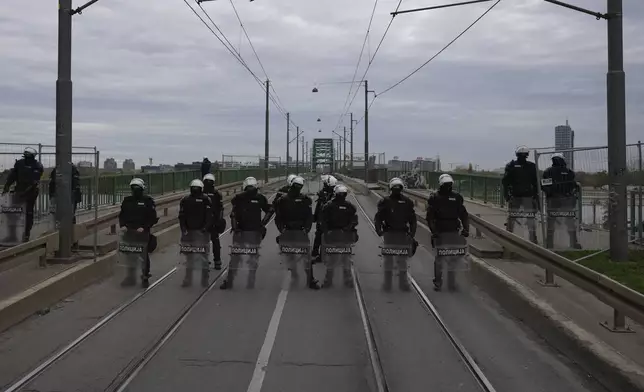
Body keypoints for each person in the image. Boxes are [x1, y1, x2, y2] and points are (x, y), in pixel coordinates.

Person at [220, 177, 273, 290]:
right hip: (254, 232)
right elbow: (270, 210)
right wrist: (262, 224)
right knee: (253, 256)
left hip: (241, 231)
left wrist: (235, 228)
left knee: (235, 257)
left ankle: (230, 281)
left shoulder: (238, 198)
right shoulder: (260, 198)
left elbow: (233, 214)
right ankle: (251, 279)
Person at [274, 176, 320, 289]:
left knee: (306, 257)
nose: (297, 189)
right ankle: (298, 275)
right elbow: (278, 217)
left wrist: (306, 229)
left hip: (299, 231)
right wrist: (282, 229)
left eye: (299, 187)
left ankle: (310, 280)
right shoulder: (283, 200)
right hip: (289, 231)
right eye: (296, 186)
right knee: (291, 255)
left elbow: (309, 217)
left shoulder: (305, 200)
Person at [426, 174, 469, 291]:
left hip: (451, 231)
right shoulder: (435, 198)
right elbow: (430, 217)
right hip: (441, 232)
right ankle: (439, 282)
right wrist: (434, 231)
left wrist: (466, 229)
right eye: (447, 185)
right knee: (442, 257)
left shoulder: (455, 198)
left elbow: (464, 215)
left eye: (449, 185)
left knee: (451, 257)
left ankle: (448, 282)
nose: (448, 187)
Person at [374, 177, 418, 291]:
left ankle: (389, 284)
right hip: (396, 234)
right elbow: (413, 220)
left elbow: (378, 218)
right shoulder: (405, 202)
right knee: (400, 259)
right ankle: (399, 284)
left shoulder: (387, 201)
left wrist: (379, 231)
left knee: (393, 259)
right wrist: (412, 234)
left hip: (394, 234)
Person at [118, 178, 158, 288]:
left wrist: (144, 227)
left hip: (142, 232)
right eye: (133, 188)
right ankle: (130, 277)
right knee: (130, 255)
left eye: (137, 188)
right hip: (129, 231)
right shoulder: (127, 200)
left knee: (143, 255)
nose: (135, 190)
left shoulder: (148, 201)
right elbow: (122, 215)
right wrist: (123, 225)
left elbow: (153, 218)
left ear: (142, 189)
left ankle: (145, 276)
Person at [319, 184, 358, 288]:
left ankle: (328, 282)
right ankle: (348, 281)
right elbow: (354, 221)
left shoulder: (328, 206)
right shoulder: (350, 206)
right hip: (345, 236)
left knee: (332, 259)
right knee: (346, 259)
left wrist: (327, 232)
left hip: (333, 236)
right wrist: (348, 228)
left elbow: (322, 221)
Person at [2, 147, 44, 242]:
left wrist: (25, 193)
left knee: (28, 213)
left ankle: (26, 235)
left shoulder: (37, 165)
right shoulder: (19, 163)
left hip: (31, 193)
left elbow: (34, 182)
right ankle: (12, 235)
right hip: (19, 191)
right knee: (12, 213)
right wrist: (7, 186)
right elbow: (12, 176)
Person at [541, 153, 581, 249]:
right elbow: (573, 185)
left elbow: (544, 185)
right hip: (567, 200)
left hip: (553, 200)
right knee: (570, 222)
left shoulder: (548, 172)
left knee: (551, 221)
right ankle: (573, 243)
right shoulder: (569, 172)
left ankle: (549, 243)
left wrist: (549, 193)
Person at [179, 179, 214, 287]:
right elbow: (182, 216)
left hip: (200, 232)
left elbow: (209, 216)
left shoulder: (205, 200)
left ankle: (203, 279)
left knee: (201, 256)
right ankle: (189, 279)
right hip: (191, 232)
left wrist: (204, 228)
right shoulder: (186, 200)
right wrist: (184, 229)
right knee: (192, 256)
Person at [502, 146, 539, 244]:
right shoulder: (531, 166)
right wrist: (536, 196)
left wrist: (506, 195)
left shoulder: (511, 165)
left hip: (515, 195)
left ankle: (508, 238)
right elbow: (536, 183)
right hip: (527, 196)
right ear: (527, 155)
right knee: (530, 218)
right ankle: (533, 240)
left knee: (512, 218)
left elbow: (505, 182)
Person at [311, 175, 337, 263]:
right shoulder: (334, 192)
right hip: (330, 219)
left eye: (325, 183)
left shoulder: (325, 193)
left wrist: (316, 217)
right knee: (320, 234)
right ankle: (316, 251)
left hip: (324, 219)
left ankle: (316, 252)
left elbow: (319, 207)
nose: (323, 184)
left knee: (319, 234)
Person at [203, 173, 225, 270]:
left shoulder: (201, 192)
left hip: (203, 222)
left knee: (204, 242)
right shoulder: (217, 193)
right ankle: (217, 262)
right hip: (214, 222)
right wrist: (219, 220)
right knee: (215, 242)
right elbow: (221, 208)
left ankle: (205, 261)